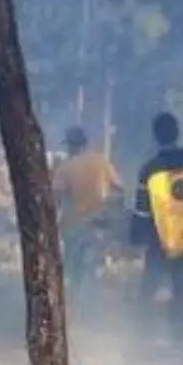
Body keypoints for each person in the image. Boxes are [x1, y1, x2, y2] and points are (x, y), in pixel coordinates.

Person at [130, 111, 183, 340]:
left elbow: (142, 210)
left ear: (156, 137)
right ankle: (179, 336)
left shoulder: (150, 170)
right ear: (178, 133)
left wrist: (136, 237)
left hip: (159, 238)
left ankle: (142, 336)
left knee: (149, 287)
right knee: (181, 286)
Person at [52, 125, 119, 294]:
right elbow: (118, 189)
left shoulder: (65, 168)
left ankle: (74, 302)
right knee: (91, 266)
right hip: (98, 224)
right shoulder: (101, 162)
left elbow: (56, 198)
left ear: (70, 146)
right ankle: (91, 301)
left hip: (73, 225)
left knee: (73, 268)